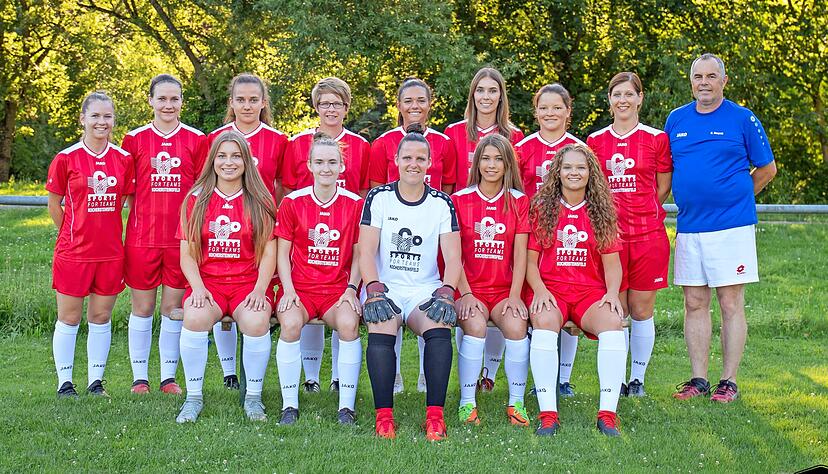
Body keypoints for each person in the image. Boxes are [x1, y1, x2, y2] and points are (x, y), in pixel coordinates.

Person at [666, 53, 776, 402]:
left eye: (712, 76)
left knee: (730, 302)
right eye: (698, 76)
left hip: (731, 229)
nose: (704, 83)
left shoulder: (742, 119)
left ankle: (728, 382)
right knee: (694, 301)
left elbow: (766, 169)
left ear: (724, 81)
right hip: (690, 227)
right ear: (691, 81)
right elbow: (668, 171)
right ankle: (699, 379)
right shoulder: (676, 119)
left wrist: (736, 199)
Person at [360, 125, 462, 440]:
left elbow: (454, 258)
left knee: (439, 329)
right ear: (397, 160)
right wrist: (373, 288)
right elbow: (366, 252)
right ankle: (384, 417)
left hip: (423, 289)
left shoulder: (442, 203)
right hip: (387, 286)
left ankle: (434, 417)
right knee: (381, 329)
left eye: (420, 158)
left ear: (430, 163)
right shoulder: (379, 197)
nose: (413, 164)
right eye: (407, 157)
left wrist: (446, 292)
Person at [174, 130, 277, 423]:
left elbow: (269, 253)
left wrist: (260, 290)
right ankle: (193, 397)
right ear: (212, 160)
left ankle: (254, 398)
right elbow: (187, 254)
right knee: (194, 317)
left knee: (257, 321)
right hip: (209, 283)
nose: (228, 162)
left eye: (235, 156)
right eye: (222, 156)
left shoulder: (259, 199)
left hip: (248, 284)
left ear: (246, 162)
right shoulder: (196, 199)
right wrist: (196, 288)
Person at [526, 144, 627, 437]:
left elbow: (612, 263)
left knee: (612, 322)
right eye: (568, 167)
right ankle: (548, 415)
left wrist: (611, 293)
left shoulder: (601, 211)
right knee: (544, 321)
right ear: (557, 171)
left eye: (581, 167)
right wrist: (540, 290)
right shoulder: (543, 208)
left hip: (588, 292)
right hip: (552, 290)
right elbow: (530, 262)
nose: (574, 172)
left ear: (590, 173)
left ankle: (607, 414)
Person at [282, 77, 370, 394]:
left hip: (346, 235)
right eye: (325, 103)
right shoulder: (298, 143)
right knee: (307, 301)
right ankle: (311, 377)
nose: (330, 109)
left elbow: (364, 192)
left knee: (342, 311)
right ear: (316, 107)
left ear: (346, 107)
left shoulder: (361, 145)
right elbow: (289, 189)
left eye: (337, 103)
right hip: (310, 236)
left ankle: (337, 378)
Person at [369, 78, 457, 393]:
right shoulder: (382, 144)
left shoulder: (445, 142)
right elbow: (375, 191)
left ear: (429, 104)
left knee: (428, 298)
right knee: (388, 304)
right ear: (399, 105)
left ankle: (424, 374)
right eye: (408, 100)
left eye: (421, 99)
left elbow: (447, 190)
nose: (415, 106)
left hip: (427, 234)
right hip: (391, 235)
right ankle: (392, 376)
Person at [587, 72, 672, 397]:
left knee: (641, 309)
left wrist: (643, 208)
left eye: (628, 94)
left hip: (648, 236)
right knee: (615, 310)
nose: (622, 100)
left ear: (640, 98)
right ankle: (617, 378)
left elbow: (663, 186)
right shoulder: (595, 141)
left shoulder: (656, 138)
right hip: (609, 238)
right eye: (616, 94)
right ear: (610, 101)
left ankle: (637, 379)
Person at [122, 74, 208, 395]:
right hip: (142, 237)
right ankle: (139, 378)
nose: (168, 105)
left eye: (174, 99)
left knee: (172, 309)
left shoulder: (197, 140)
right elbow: (130, 191)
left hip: (180, 240)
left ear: (182, 102)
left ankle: (168, 379)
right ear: (151, 101)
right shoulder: (134, 139)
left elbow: (201, 190)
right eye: (162, 99)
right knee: (142, 309)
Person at [47, 91, 135, 398]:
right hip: (74, 253)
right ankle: (65, 383)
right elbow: (55, 204)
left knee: (100, 317)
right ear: (82, 119)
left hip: (110, 253)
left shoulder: (123, 160)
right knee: (69, 318)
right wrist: (72, 233)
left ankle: (96, 382)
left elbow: (122, 200)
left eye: (107, 116)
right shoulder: (66, 158)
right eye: (95, 116)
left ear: (114, 120)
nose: (102, 122)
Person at [274, 133, 364, 425]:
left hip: (337, 291)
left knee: (349, 324)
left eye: (332, 162)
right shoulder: (292, 202)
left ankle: (346, 407)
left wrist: (352, 289)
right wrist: (287, 290)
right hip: (300, 289)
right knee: (288, 323)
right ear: (310, 165)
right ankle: (290, 405)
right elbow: (282, 252)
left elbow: (360, 253)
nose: (326, 168)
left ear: (342, 167)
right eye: (320, 162)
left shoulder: (354, 204)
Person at [445, 67, 525, 392]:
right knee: (471, 309)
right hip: (467, 224)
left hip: (503, 221)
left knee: (505, 307)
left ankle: (489, 373)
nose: (487, 96)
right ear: (473, 95)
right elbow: (450, 182)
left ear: (501, 96)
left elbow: (518, 186)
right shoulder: (453, 133)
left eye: (493, 91)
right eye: (481, 90)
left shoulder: (514, 135)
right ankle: (467, 385)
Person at [206, 73, 288, 390]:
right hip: (224, 229)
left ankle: (254, 377)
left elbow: (281, 188)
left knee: (253, 300)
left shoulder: (279, 140)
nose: (247, 105)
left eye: (254, 99)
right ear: (231, 102)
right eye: (241, 99)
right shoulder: (214, 138)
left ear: (263, 102)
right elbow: (206, 184)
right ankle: (229, 372)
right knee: (222, 296)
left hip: (260, 229)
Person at [452, 134, 531, 427]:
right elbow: (454, 255)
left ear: (507, 163)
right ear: (477, 162)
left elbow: (521, 255)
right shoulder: (460, 200)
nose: (492, 164)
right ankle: (467, 402)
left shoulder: (519, 201)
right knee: (474, 326)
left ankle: (517, 403)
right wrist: (466, 293)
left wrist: (514, 296)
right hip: (470, 288)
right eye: (486, 158)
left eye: (498, 158)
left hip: (503, 290)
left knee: (516, 327)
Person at [516, 83, 587, 397]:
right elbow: (516, 192)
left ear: (568, 112)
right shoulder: (523, 147)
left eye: (557, 107)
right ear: (536, 112)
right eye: (544, 107)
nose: (550, 113)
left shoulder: (579, 148)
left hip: (567, 236)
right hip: (531, 236)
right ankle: (539, 381)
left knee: (568, 306)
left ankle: (563, 378)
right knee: (538, 306)